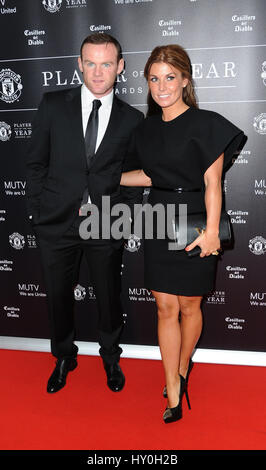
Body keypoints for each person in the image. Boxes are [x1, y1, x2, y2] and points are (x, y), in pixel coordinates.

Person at [120, 44, 246, 423]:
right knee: (164, 306)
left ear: (185, 80)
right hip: (157, 217)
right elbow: (149, 176)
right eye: (154, 78)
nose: (162, 86)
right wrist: (106, 177)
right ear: (147, 82)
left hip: (194, 219)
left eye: (170, 77)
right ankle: (172, 387)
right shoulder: (144, 130)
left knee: (190, 306)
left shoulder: (208, 124)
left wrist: (211, 232)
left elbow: (212, 182)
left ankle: (182, 367)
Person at [26, 33, 143, 394]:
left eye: (106, 63)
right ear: (79, 63)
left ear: (120, 67)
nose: (97, 72)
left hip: (105, 222)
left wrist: (119, 217)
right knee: (58, 296)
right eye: (90, 63)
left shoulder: (132, 119)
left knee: (109, 297)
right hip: (57, 222)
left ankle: (110, 357)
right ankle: (64, 356)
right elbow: (35, 164)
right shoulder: (52, 105)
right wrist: (38, 213)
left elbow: (134, 175)